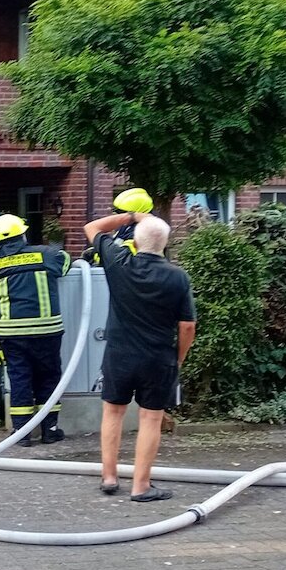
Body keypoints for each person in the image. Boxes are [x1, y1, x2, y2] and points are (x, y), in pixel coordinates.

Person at [83, 211, 196, 501]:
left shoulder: (119, 262)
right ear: (166, 243)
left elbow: (92, 227)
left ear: (135, 239)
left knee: (113, 412)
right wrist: (178, 358)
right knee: (150, 418)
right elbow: (187, 326)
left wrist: (132, 215)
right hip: (159, 358)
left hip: (119, 354)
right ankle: (140, 486)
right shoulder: (177, 277)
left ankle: (109, 478)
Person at [0, 214, 72, 446]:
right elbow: (66, 262)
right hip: (46, 331)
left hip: (11, 333)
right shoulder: (45, 255)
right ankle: (50, 429)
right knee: (48, 377)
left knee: (20, 379)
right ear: (23, 235)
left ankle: (22, 434)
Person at [82, 187, 152, 264]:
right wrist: (94, 251)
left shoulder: (141, 232)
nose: (116, 215)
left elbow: (117, 256)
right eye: (115, 210)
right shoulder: (126, 227)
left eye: (121, 212)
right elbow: (116, 243)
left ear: (135, 212)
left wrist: (98, 254)